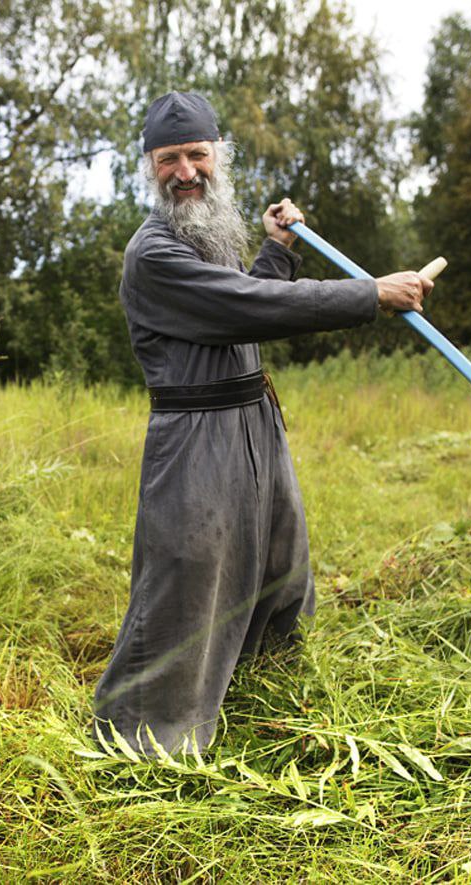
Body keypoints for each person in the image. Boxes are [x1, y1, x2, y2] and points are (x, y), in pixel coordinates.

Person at [91, 91, 432, 755]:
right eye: (169, 159)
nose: (185, 170)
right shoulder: (153, 254)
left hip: (254, 424)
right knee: (188, 582)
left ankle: (264, 692)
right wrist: (370, 294)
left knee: (280, 564)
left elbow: (245, 297)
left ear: (219, 156)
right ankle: (143, 736)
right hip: (195, 441)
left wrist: (277, 246)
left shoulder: (206, 233)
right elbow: (248, 306)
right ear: (149, 167)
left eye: (196, 154)